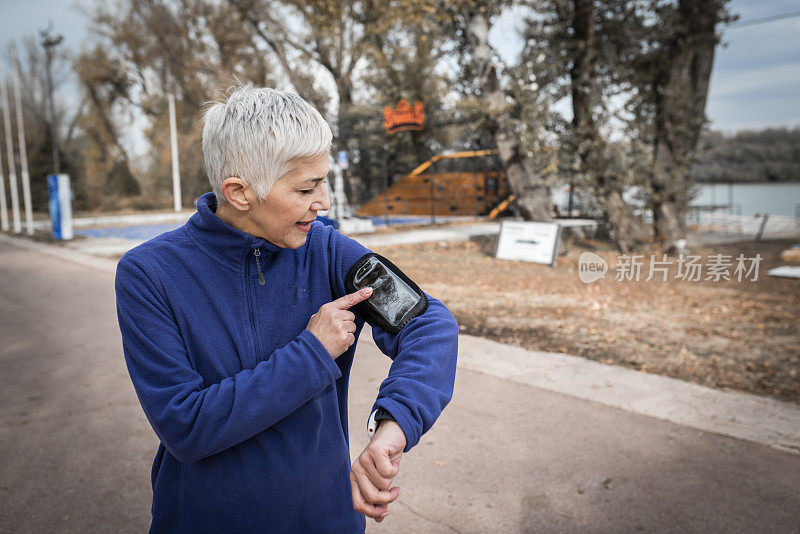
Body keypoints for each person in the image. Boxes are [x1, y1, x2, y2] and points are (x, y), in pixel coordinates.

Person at [114, 85, 458, 533]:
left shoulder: (326, 249)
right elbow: (186, 425)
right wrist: (312, 352)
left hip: (326, 521)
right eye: (306, 188)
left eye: (323, 181)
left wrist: (395, 424)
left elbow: (429, 323)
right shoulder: (149, 274)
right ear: (239, 192)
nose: (324, 202)